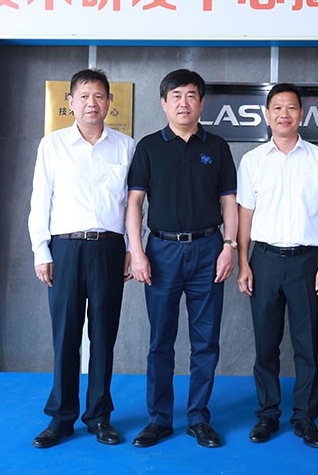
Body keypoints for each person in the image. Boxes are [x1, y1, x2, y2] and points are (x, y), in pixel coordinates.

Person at [126, 69, 238, 449]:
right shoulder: (148, 147)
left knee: (206, 341)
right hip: (161, 251)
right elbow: (135, 203)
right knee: (161, 340)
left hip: (208, 249)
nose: (183, 102)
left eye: (191, 95)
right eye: (176, 96)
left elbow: (229, 202)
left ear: (202, 102)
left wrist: (229, 246)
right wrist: (137, 251)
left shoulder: (217, 147)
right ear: (164, 102)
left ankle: (198, 418)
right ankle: (158, 419)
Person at [28, 68, 135, 448]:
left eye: (99, 96)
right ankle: (61, 417)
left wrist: (131, 248)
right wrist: (41, 250)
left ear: (109, 102)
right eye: (84, 96)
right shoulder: (52, 145)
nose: (92, 103)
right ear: (71, 102)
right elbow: (40, 200)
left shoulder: (126, 147)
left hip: (109, 248)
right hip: (66, 249)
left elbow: (134, 204)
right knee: (66, 335)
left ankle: (99, 417)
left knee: (104, 335)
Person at [236, 83, 318, 449]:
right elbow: (244, 216)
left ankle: (305, 418)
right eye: (277, 108)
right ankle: (267, 415)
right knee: (266, 345)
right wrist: (243, 263)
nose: (284, 114)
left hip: (306, 262)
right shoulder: (253, 161)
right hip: (264, 261)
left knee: (306, 345)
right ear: (267, 115)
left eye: (291, 108)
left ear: (302, 114)